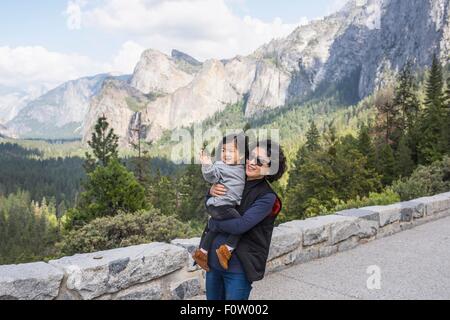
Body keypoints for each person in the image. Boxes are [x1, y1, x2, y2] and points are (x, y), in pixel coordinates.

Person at [201, 139, 287, 300]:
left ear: (271, 170)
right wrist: (210, 192)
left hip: (238, 267)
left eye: (260, 161)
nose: (252, 162)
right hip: (212, 262)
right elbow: (210, 206)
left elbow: (241, 226)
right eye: (251, 156)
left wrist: (214, 223)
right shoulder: (232, 178)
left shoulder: (267, 197)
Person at [192, 133, 247, 271]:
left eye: (231, 151)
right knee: (240, 225)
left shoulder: (242, 167)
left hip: (220, 206)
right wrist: (207, 165)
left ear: (240, 155)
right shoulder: (220, 165)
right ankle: (226, 250)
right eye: (223, 150)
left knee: (213, 229)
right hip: (221, 205)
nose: (226, 154)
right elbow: (212, 176)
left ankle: (202, 253)